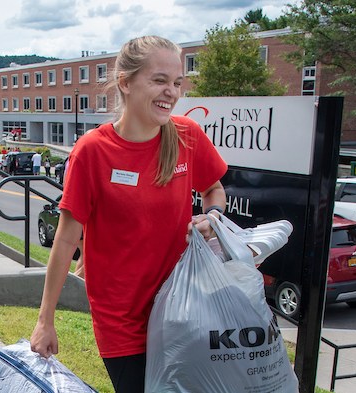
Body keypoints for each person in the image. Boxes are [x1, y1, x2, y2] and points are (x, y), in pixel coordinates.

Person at [29, 36, 228, 393]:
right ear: (125, 82)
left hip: (181, 309)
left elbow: (214, 189)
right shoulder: (92, 151)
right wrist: (46, 320)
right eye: (159, 80)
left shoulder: (187, 135)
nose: (172, 92)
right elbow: (65, 238)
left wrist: (211, 217)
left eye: (177, 82)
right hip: (121, 319)